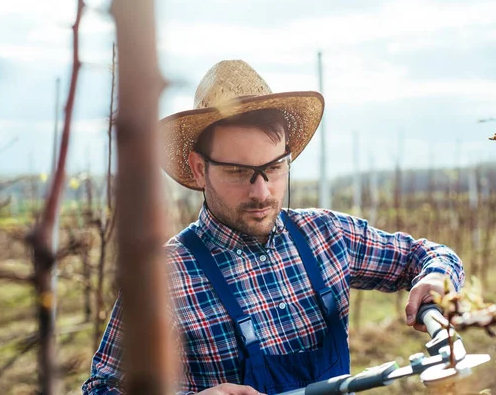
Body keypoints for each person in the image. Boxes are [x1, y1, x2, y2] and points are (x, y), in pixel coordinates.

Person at [83, 60, 464, 395]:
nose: (262, 191)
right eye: (238, 172)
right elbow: (102, 388)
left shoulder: (327, 235)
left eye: (275, 168)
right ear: (200, 169)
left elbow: (426, 255)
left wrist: (435, 278)